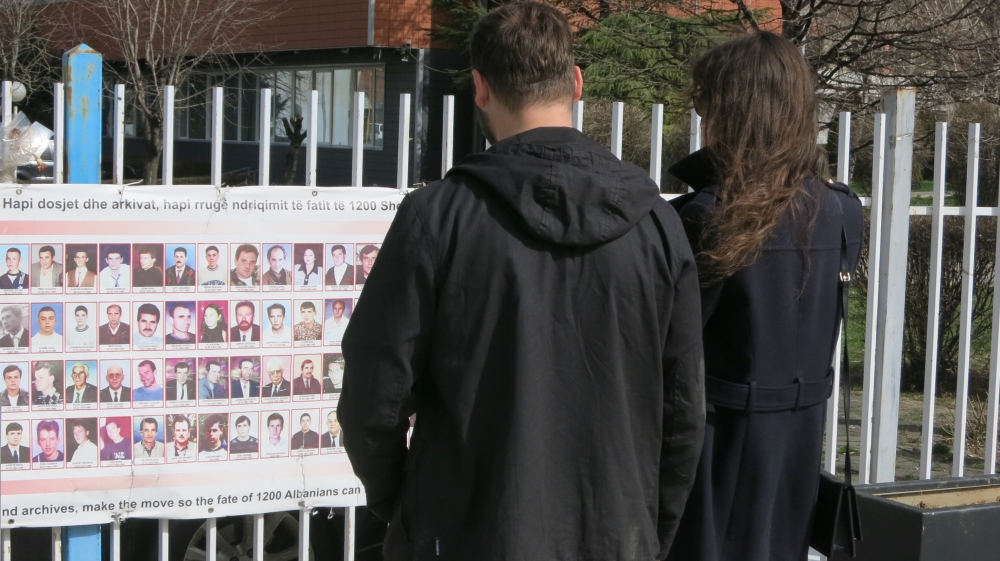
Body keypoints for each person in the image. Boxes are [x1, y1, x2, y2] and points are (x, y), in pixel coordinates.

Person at [337, 5, 705, 560]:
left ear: (480, 88)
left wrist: (406, 507)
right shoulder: (658, 226)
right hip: (609, 530)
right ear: (576, 84)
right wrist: (648, 529)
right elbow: (684, 411)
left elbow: (373, 398)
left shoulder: (437, 217)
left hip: (466, 530)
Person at [662, 33, 864, 561]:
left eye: (710, 107)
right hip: (797, 448)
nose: (705, 121)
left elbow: (667, 351)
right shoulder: (843, 210)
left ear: (735, 110)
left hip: (713, 446)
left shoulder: (705, 217)